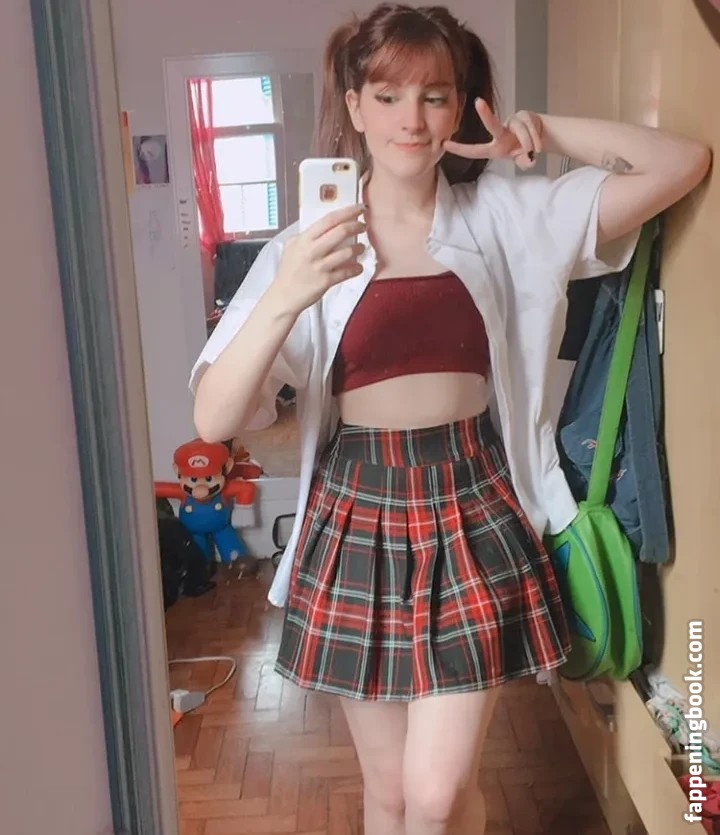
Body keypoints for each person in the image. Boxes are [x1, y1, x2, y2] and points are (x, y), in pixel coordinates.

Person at [189, 4, 711, 833]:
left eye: (434, 96)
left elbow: (681, 162)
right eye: (388, 96)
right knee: (392, 794)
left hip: (472, 502)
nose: (411, 119)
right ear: (355, 106)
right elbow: (215, 416)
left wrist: (542, 130)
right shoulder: (305, 247)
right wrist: (287, 292)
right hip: (355, 512)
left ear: (461, 106)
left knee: (436, 793)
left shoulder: (507, 216)